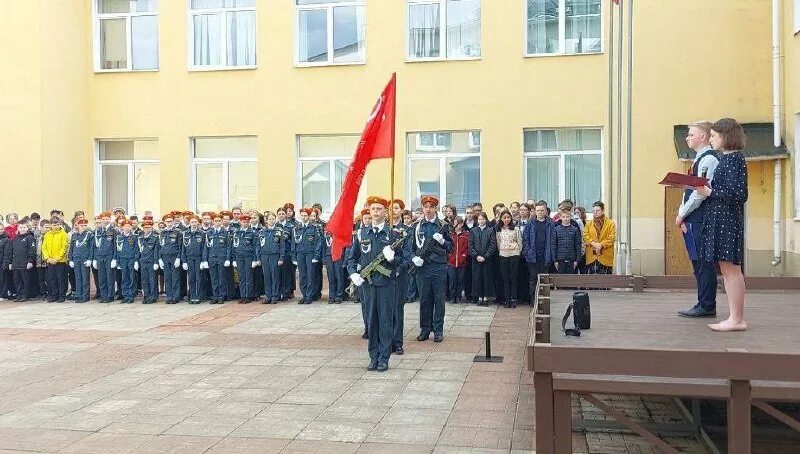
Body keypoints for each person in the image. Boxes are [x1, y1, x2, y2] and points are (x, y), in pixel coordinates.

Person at [696, 118, 749, 332]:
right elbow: (727, 190)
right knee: (727, 271)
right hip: (721, 220)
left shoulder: (734, 159)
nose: (711, 139)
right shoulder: (727, 159)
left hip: (727, 221)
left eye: (714, 135)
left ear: (725, 136)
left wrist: (709, 192)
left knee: (731, 271)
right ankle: (734, 317)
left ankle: (737, 319)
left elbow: (739, 194)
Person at [346, 196, 403, 372]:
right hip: (368, 285)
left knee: (385, 321)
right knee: (371, 321)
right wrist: (353, 273)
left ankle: (384, 358)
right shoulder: (362, 233)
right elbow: (352, 258)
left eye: (379, 209)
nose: (376, 212)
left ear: (386, 212)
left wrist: (392, 259)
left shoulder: (393, 234)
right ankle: (373, 356)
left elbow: (403, 260)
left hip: (386, 284)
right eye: (373, 209)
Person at [677, 121, 720, 318]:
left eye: (691, 134)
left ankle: (707, 305)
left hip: (701, 218)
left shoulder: (708, 160)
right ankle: (702, 302)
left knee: (703, 262)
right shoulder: (698, 160)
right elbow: (689, 190)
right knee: (697, 262)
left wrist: (682, 214)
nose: (687, 138)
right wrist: (683, 214)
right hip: (693, 218)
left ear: (703, 137)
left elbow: (699, 193)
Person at [407, 195, 453, 342]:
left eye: (431, 207)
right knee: (425, 300)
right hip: (423, 268)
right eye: (425, 207)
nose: (428, 209)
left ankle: (438, 330)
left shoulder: (443, 225)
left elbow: (451, 248)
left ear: (436, 208)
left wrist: (443, 241)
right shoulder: (416, 226)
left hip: (439, 266)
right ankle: (425, 329)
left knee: (439, 299)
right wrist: (414, 258)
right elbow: (409, 248)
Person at [522, 201, 553, 300]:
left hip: (545, 255)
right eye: (538, 210)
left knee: (544, 279)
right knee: (533, 278)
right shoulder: (530, 223)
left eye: (542, 210)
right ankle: (533, 300)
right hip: (533, 255)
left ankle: (543, 300)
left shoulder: (550, 223)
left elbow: (553, 240)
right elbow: (525, 239)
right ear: (535, 211)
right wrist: (528, 251)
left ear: (546, 211)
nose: (540, 212)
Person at [496, 210, 523, 308]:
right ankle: (507, 299)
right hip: (503, 255)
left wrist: (518, 252)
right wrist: (502, 251)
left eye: (508, 217)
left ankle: (513, 299)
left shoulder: (516, 229)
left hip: (514, 254)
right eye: (504, 218)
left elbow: (519, 241)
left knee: (513, 277)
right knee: (505, 278)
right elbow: (498, 243)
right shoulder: (499, 230)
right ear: (501, 219)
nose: (506, 219)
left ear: (511, 218)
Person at [256, 212, 285, 304]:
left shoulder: (279, 231)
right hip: (264, 256)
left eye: (273, 219)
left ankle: (275, 296)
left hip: (275, 256)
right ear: (266, 220)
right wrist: (258, 258)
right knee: (267, 277)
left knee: (275, 276)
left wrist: (281, 258)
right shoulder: (262, 231)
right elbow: (258, 246)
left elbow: (282, 246)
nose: (271, 221)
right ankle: (268, 296)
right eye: (270, 219)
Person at [469, 212, 495, 306]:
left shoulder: (490, 230)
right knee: (477, 278)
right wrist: (476, 256)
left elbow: (492, 245)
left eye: (483, 219)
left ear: (486, 220)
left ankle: (486, 298)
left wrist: (485, 256)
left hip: (487, 259)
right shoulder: (473, 231)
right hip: (476, 259)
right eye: (479, 219)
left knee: (486, 278)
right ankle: (479, 297)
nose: (481, 221)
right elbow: (470, 245)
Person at [204, 214, 231, 304]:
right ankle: (215, 296)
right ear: (213, 222)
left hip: (222, 258)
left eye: (219, 221)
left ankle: (222, 296)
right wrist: (205, 260)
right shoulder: (209, 233)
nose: (217, 222)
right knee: (214, 278)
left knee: (221, 278)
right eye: (216, 221)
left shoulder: (225, 232)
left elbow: (228, 247)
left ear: (222, 221)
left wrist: (228, 258)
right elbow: (206, 247)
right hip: (212, 258)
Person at [583, 202, 616, 274]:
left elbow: (612, 238)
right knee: (592, 279)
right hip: (591, 257)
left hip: (605, 257)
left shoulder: (610, 223)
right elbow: (585, 236)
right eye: (594, 211)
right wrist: (593, 243)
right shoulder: (588, 224)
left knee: (605, 279)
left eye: (597, 210)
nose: (595, 212)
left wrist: (601, 245)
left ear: (602, 211)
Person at [7, 223, 36, 302]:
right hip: (16, 264)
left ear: (27, 228)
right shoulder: (14, 239)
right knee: (17, 281)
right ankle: (19, 295)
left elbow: (32, 250)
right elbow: (11, 251)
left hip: (25, 264)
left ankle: (25, 295)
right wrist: (10, 263)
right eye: (20, 227)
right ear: (18, 229)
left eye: (24, 227)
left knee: (26, 280)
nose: (22, 229)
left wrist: (30, 261)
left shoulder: (30, 238)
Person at [42, 219, 70, 302]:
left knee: (61, 279)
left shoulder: (63, 234)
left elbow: (64, 248)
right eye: (54, 225)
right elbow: (44, 247)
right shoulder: (47, 235)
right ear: (51, 225)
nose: (56, 226)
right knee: (52, 279)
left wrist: (57, 258)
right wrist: (47, 258)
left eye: (57, 225)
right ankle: (55, 295)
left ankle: (62, 296)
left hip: (60, 261)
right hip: (50, 261)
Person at [232, 214, 257, 304]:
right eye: (243, 222)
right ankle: (243, 295)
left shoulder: (252, 233)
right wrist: (234, 259)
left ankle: (248, 296)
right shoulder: (236, 233)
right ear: (240, 222)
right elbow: (233, 247)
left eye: (247, 222)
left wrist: (254, 259)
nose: (245, 223)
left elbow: (255, 247)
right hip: (239, 257)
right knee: (241, 277)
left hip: (248, 257)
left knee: (248, 277)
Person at [159, 214, 183, 304]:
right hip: (165, 257)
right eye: (167, 221)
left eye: (170, 221)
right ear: (165, 222)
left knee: (175, 278)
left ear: (173, 221)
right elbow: (160, 246)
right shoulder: (162, 233)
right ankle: (169, 296)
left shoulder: (178, 232)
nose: (169, 223)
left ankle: (175, 297)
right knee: (167, 278)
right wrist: (160, 258)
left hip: (174, 257)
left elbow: (180, 246)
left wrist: (178, 258)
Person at [550, 206, 582, 275]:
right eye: (563, 217)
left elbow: (578, 245)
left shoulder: (575, 229)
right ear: (560, 217)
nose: (565, 218)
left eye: (567, 217)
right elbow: (553, 245)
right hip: (560, 260)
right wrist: (555, 261)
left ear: (570, 217)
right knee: (560, 280)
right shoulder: (556, 229)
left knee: (571, 280)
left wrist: (577, 260)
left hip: (572, 260)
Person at [68, 218, 93, 303]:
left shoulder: (89, 235)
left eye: (85, 225)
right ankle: (79, 295)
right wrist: (70, 259)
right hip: (76, 259)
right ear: (78, 225)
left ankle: (85, 296)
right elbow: (71, 248)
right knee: (78, 278)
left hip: (84, 259)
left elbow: (91, 248)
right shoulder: (74, 235)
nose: (83, 227)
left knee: (85, 278)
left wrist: (90, 259)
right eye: (81, 225)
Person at [181, 216, 206, 304]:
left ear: (198, 223)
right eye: (192, 222)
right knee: (191, 278)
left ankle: (199, 297)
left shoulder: (202, 233)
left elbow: (204, 248)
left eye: (195, 222)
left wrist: (203, 260)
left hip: (198, 258)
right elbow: (183, 248)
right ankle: (192, 297)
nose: (194, 224)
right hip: (189, 258)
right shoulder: (185, 234)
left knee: (199, 278)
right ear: (190, 223)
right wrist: (184, 261)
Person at [116, 220, 140, 304]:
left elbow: (137, 249)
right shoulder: (119, 237)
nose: (127, 227)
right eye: (125, 226)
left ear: (131, 227)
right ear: (122, 227)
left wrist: (136, 260)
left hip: (131, 259)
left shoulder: (134, 237)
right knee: (124, 278)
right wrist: (118, 261)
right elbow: (117, 250)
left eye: (129, 226)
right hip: (122, 259)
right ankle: (125, 295)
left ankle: (131, 295)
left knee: (132, 278)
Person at [447, 216, 469, 304]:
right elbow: (447, 246)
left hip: (462, 262)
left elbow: (468, 248)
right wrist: (449, 255)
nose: (456, 226)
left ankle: (458, 296)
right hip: (451, 262)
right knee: (452, 279)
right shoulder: (450, 234)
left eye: (458, 224)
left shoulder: (466, 235)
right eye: (455, 224)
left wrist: (464, 256)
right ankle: (452, 297)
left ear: (462, 224)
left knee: (460, 280)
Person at [138, 220, 159, 304]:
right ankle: (146, 296)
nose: (147, 229)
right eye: (145, 227)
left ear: (151, 228)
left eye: (149, 227)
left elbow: (156, 251)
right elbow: (138, 250)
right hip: (143, 261)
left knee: (152, 280)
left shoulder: (155, 237)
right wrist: (137, 260)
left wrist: (156, 262)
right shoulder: (140, 238)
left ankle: (153, 297)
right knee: (144, 280)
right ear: (143, 228)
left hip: (151, 261)